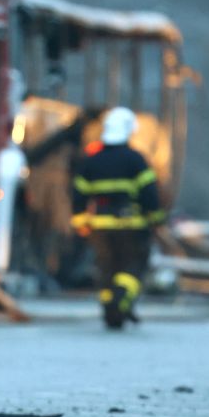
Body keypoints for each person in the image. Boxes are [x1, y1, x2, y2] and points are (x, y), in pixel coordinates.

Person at [72, 107, 165, 329]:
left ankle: (109, 308)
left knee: (106, 269)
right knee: (133, 266)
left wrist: (80, 222)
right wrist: (156, 218)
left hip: (100, 227)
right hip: (131, 226)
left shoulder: (91, 161)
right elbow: (149, 193)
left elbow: (78, 194)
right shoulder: (135, 159)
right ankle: (121, 299)